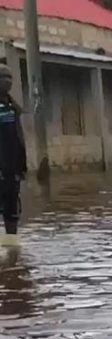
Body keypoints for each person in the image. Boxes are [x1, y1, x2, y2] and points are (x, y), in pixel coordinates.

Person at [0, 64, 26, 246]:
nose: (8, 82)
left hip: (12, 168)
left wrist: (21, 166)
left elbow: (19, 138)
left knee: (12, 210)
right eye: (3, 77)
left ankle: (12, 249)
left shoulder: (12, 106)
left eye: (10, 78)